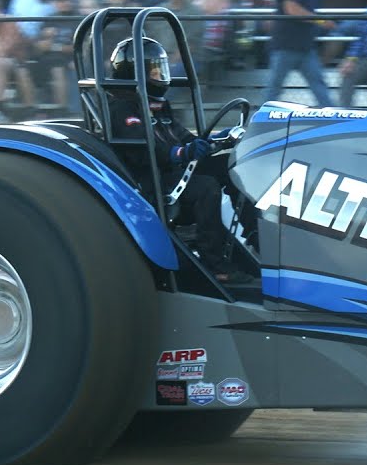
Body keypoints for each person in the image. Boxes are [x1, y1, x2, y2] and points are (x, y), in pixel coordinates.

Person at [106, 36, 255, 284]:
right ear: (136, 73)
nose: (161, 75)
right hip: (149, 180)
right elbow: (143, 151)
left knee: (230, 165)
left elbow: (181, 136)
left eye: (160, 69)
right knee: (206, 187)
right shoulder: (122, 109)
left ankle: (255, 234)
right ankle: (215, 263)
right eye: (154, 70)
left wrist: (216, 139)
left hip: (172, 168)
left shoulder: (158, 105)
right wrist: (181, 153)